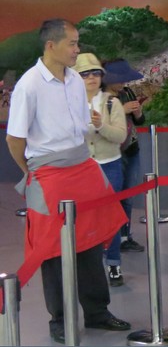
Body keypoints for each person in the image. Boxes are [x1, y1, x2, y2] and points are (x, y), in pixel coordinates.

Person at [6, 19, 130, 343]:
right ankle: (59, 319)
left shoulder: (74, 79)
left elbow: (80, 124)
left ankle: (97, 312)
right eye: (72, 44)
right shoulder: (29, 85)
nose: (77, 50)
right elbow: (14, 139)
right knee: (52, 250)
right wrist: (31, 171)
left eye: (77, 43)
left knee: (90, 242)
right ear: (51, 45)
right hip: (49, 173)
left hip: (83, 167)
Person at [72, 53, 128, 287]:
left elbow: (120, 136)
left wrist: (100, 125)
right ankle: (88, 267)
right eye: (85, 74)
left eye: (96, 73)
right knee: (83, 219)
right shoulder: (68, 103)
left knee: (110, 218)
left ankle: (113, 263)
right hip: (80, 168)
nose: (91, 78)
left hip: (110, 165)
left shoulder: (111, 102)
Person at [103, 58, 146, 253]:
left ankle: (124, 237)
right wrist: (122, 109)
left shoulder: (127, 92)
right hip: (110, 153)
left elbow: (140, 121)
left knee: (127, 196)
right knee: (112, 197)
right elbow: (99, 123)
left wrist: (137, 113)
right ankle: (109, 239)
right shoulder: (99, 97)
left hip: (131, 149)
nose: (123, 82)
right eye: (119, 79)